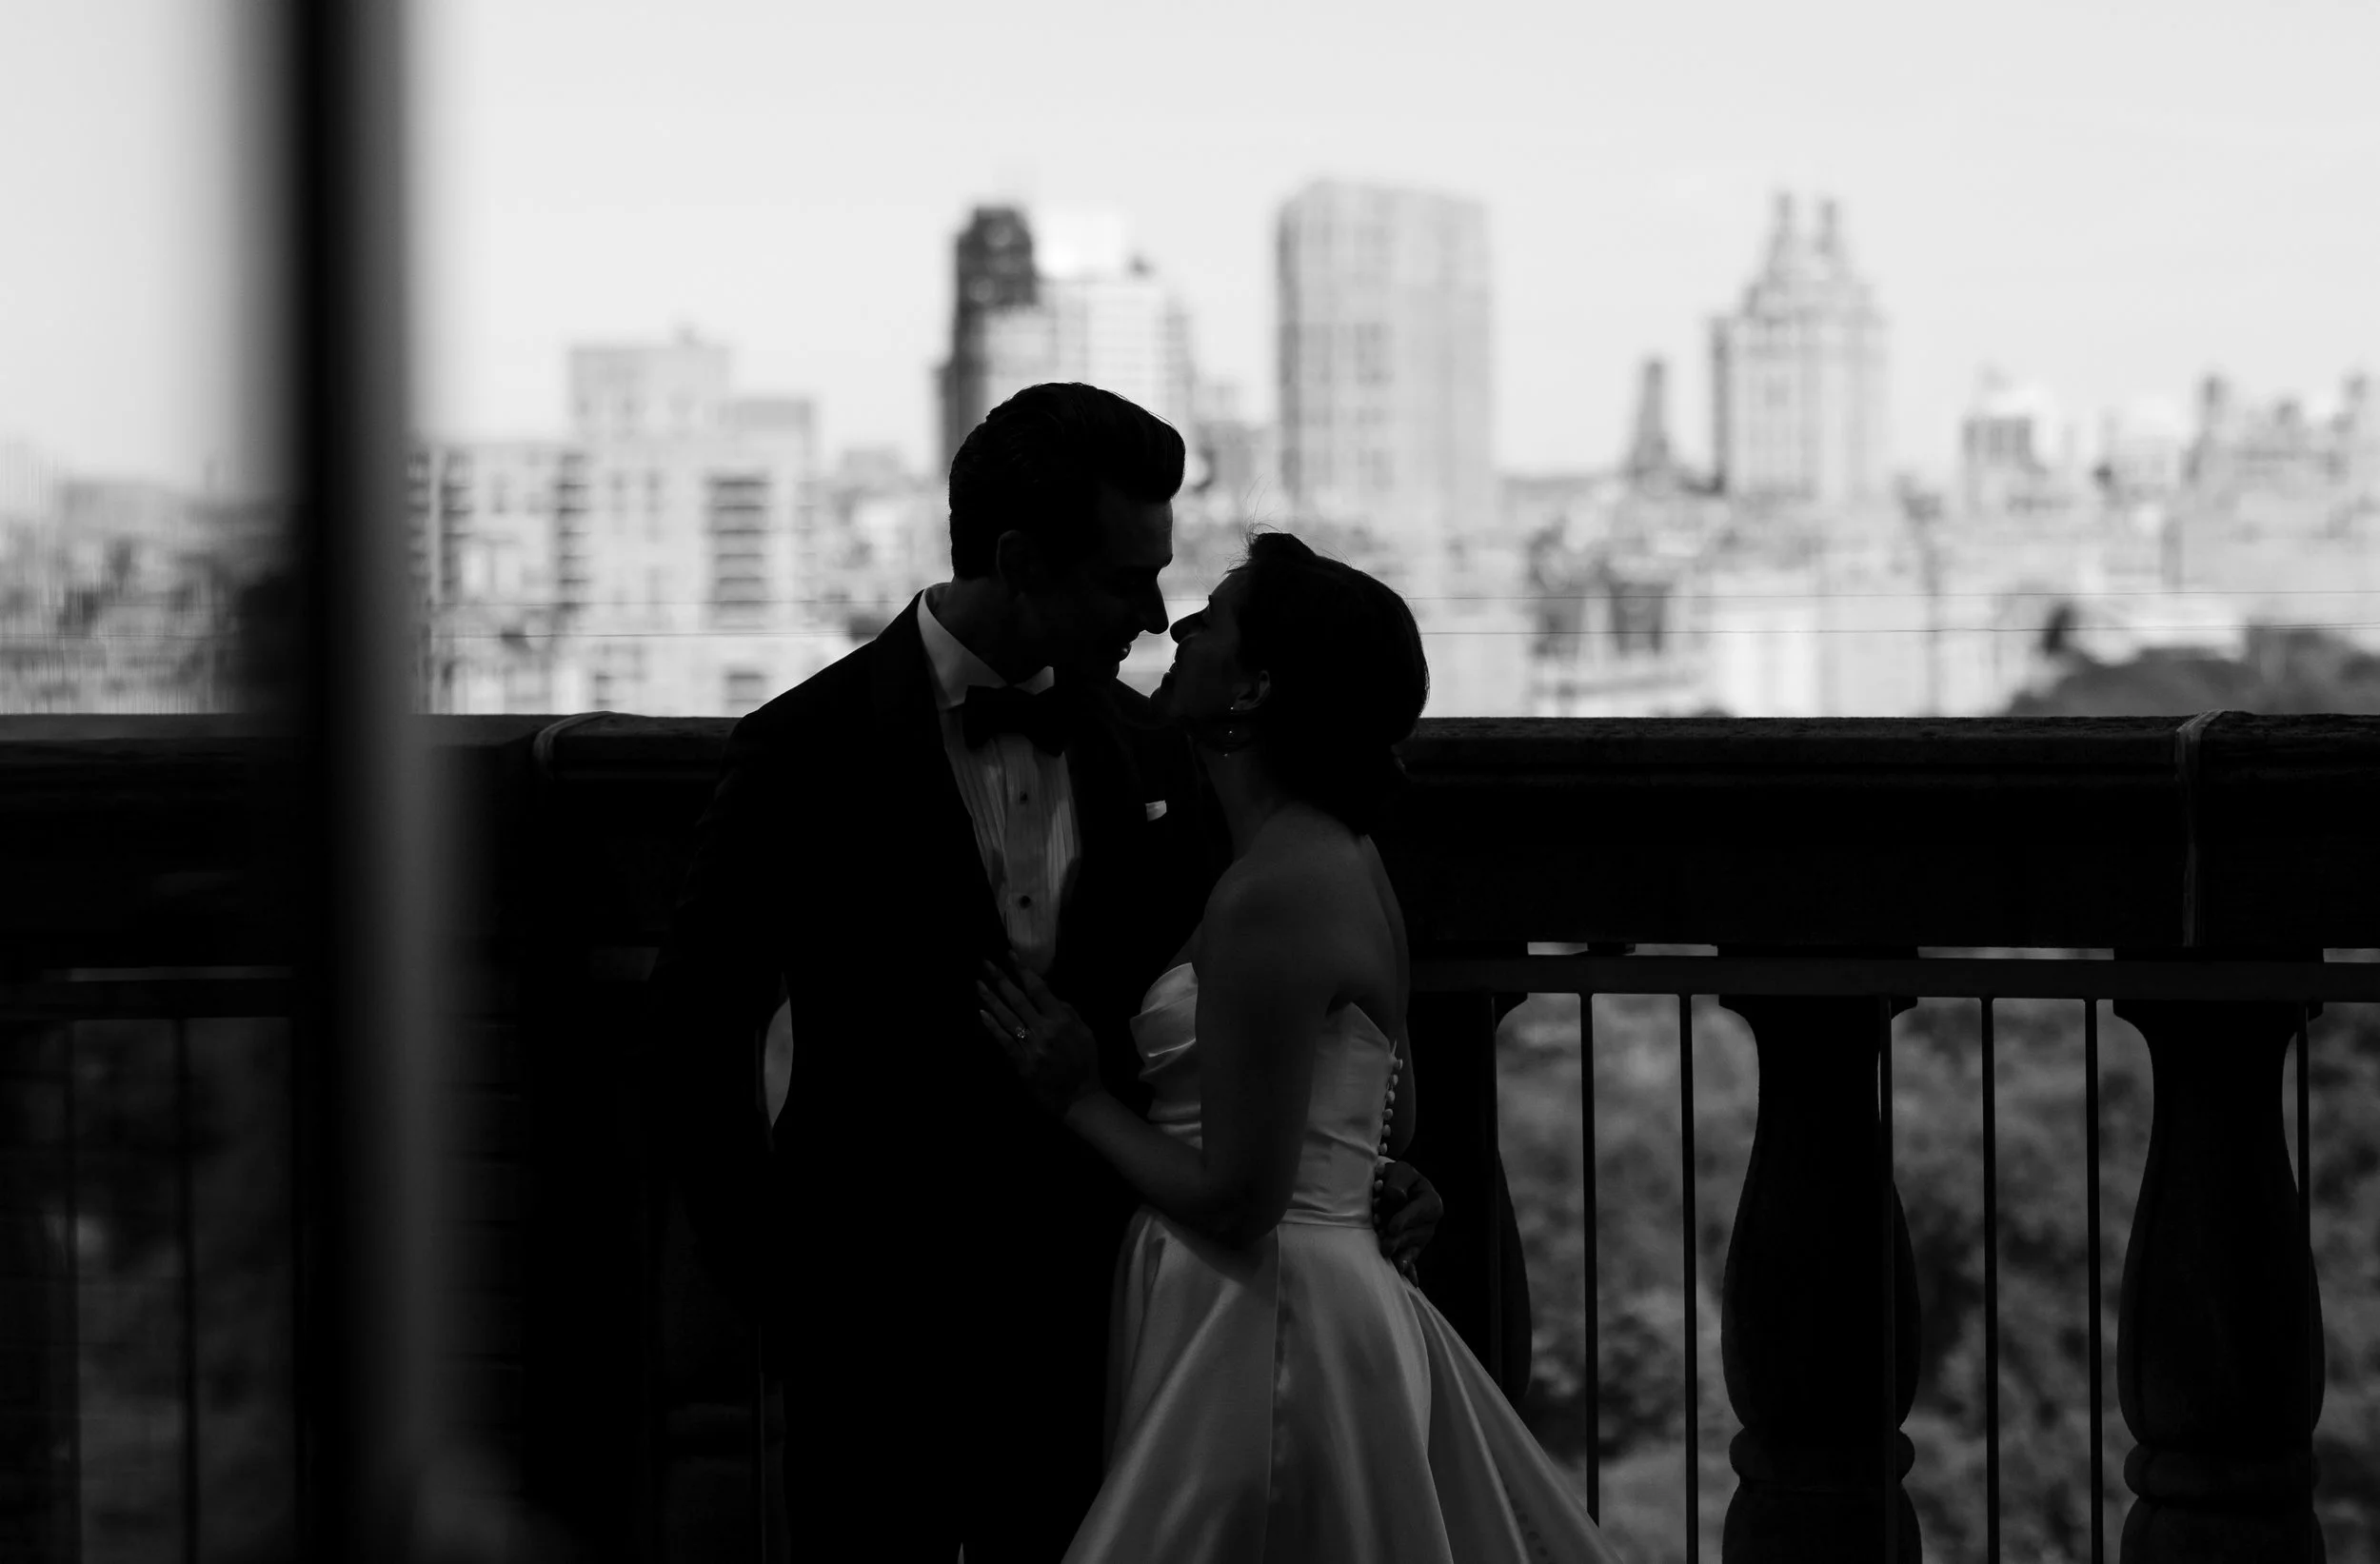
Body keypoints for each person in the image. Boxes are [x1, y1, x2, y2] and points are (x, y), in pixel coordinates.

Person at [647, 384, 1449, 1562]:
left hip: (1106, 1318)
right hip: (874, 1328)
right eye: (1126, 578)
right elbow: (697, 1017)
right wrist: (775, 1277)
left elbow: (1282, 1017)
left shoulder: (1161, 749)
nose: (1156, 612)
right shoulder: (803, 751)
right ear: (1019, 559)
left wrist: (1370, 1163)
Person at [978, 532, 1615, 1562]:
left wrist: (1077, 1091)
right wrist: (1360, 1170)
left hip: (1260, 1319)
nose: (1180, 623)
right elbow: (1389, 1111)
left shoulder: (1272, 890)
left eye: (1215, 617)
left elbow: (1238, 1199)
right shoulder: (1338, 857)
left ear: (1257, 686)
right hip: (1299, 1291)